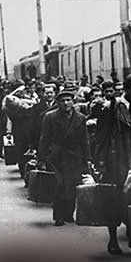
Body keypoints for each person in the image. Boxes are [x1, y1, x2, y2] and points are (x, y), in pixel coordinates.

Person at [96, 73, 131, 255]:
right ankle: (113, 240)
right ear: (125, 89)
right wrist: (100, 162)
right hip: (115, 160)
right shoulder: (110, 107)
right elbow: (101, 137)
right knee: (114, 200)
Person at [37, 89, 91, 226]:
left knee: (72, 186)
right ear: (58, 103)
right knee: (59, 185)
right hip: (56, 156)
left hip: (75, 156)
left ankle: (69, 214)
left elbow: (85, 140)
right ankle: (59, 215)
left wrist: (88, 158)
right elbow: (45, 138)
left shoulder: (81, 118)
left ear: (73, 102)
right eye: (62, 101)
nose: (66, 103)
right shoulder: (50, 117)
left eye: (68, 100)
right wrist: (41, 158)